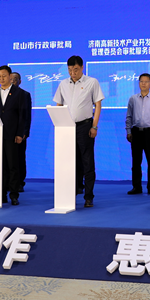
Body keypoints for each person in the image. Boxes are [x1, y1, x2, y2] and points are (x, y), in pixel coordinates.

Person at [53, 56, 104, 208]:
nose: (72, 73)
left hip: (85, 126)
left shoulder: (92, 82)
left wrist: (94, 126)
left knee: (87, 162)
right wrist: (59, 124)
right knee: (69, 162)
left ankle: (89, 196)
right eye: (70, 70)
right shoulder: (63, 84)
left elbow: (98, 105)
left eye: (75, 70)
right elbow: (58, 104)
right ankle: (71, 193)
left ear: (82, 67)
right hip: (67, 127)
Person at [0, 66, 31, 205]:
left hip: (12, 135)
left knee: (13, 166)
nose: (1, 79)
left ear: (10, 76)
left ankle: (14, 194)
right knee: (0, 166)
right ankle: (1, 194)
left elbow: (23, 116)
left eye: (4, 76)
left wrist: (20, 134)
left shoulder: (20, 93)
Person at [125, 72, 150, 195]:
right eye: (141, 81)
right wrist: (128, 131)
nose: (143, 84)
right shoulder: (133, 99)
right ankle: (136, 187)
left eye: (146, 82)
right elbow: (129, 116)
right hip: (136, 132)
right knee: (136, 161)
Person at [10, 72, 32, 192]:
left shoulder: (25, 94)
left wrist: (25, 132)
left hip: (20, 132)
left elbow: (27, 115)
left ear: (20, 81)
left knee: (19, 158)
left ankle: (20, 183)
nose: (12, 81)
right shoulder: (4, 94)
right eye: (10, 79)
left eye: (15, 79)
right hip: (7, 132)